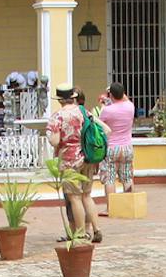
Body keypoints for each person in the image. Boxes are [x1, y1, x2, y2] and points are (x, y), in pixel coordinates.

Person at [48, 85, 102, 244]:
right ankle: (96, 229)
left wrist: (51, 137)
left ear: (59, 100)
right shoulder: (84, 112)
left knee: (75, 198)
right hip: (87, 158)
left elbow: (55, 141)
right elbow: (102, 130)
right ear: (73, 97)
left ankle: (79, 234)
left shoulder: (58, 116)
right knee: (87, 195)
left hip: (69, 161)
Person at [97, 84, 136, 194]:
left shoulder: (107, 111)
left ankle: (111, 208)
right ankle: (130, 206)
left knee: (109, 180)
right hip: (127, 147)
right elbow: (125, 98)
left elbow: (100, 126)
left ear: (111, 95)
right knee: (127, 178)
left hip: (111, 148)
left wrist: (105, 102)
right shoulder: (130, 107)